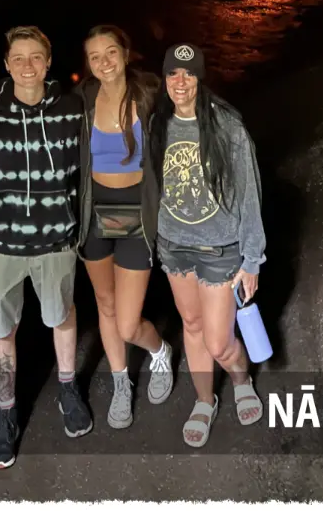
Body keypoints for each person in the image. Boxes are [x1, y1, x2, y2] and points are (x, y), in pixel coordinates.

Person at [0, 25, 91, 471]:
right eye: (17, 58)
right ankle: (6, 414)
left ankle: (67, 387)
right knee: (1, 330)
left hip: (56, 239)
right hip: (1, 244)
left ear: (49, 60)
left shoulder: (70, 108)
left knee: (61, 315)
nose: (27, 67)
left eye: (35, 57)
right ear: (5, 64)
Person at [147, 42, 266, 448]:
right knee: (192, 326)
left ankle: (240, 377)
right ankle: (203, 400)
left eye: (189, 73)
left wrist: (252, 258)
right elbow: (152, 187)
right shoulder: (158, 124)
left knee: (218, 341)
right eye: (173, 74)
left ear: (201, 77)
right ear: (164, 79)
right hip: (175, 247)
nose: (180, 82)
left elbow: (250, 193)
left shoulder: (226, 125)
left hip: (219, 248)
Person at [76, 25, 174, 430]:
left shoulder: (150, 93)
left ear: (126, 52)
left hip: (137, 212)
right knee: (106, 304)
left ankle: (160, 351)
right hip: (95, 212)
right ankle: (121, 382)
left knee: (129, 322)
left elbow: (183, 130)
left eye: (111, 52)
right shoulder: (83, 99)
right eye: (95, 56)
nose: (104, 62)